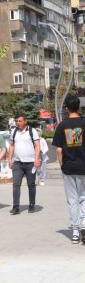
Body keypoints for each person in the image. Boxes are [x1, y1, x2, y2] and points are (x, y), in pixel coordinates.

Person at [51, 95, 85, 244]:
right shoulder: (84, 123)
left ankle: (75, 232)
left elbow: (59, 150)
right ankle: (84, 224)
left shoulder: (62, 126)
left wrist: (62, 165)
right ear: (79, 107)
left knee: (72, 200)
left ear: (66, 108)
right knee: (84, 198)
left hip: (69, 167)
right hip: (84, 167)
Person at [8, 113, 40, 215]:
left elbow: (37, 145)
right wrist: (10, 159)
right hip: (17, 163)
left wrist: (36, 159)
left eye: (20, 121)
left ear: (25, 121)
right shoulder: (14, 131)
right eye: (17, 121)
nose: (18, 123)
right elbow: (12, 146)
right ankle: (16, 206)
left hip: (30, 163)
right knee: (16, 185)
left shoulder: (32, 131)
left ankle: (31, 205)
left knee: (31, 185)